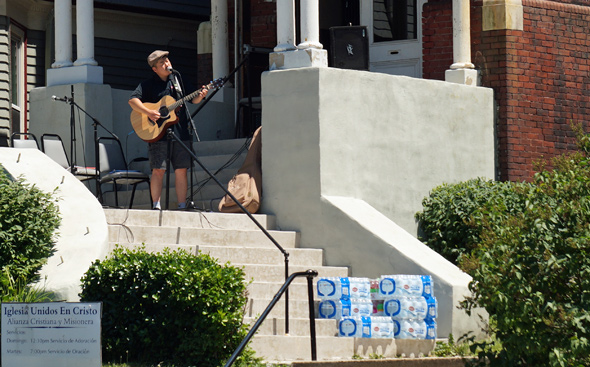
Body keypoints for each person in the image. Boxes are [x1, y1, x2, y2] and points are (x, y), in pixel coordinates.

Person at [129, 50, 208, 210]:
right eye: (162, 63)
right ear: (155, 69)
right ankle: (156, 206)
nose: (167, 64)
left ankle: (181, 206)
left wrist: (202, 95)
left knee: (181, 170)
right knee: (158, 170)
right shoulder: (148, 85)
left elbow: (193, 99)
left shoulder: (179, 80)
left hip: (181, 132)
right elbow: (132, 100)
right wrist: (149, 112)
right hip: (158, 135)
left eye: (167, 60)